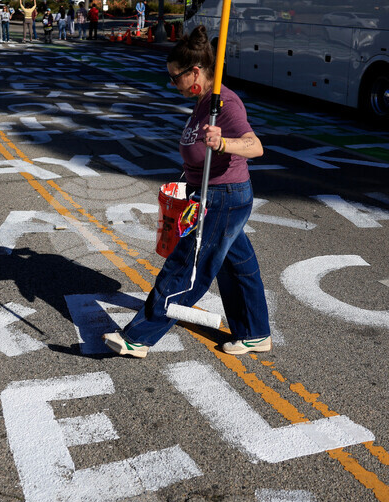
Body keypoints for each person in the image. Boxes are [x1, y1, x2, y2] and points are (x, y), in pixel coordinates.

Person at [102, 24, 270, 359]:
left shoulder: (226, 103)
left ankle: (139, 337)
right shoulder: (203, 101)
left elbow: (255, 146)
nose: (173, 84)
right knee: (238, 266)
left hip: (222, 197)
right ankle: (255, 332)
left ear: (195, 71)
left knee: (185, 268)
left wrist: (223, 141)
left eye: (175, 77)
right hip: (214, 196)